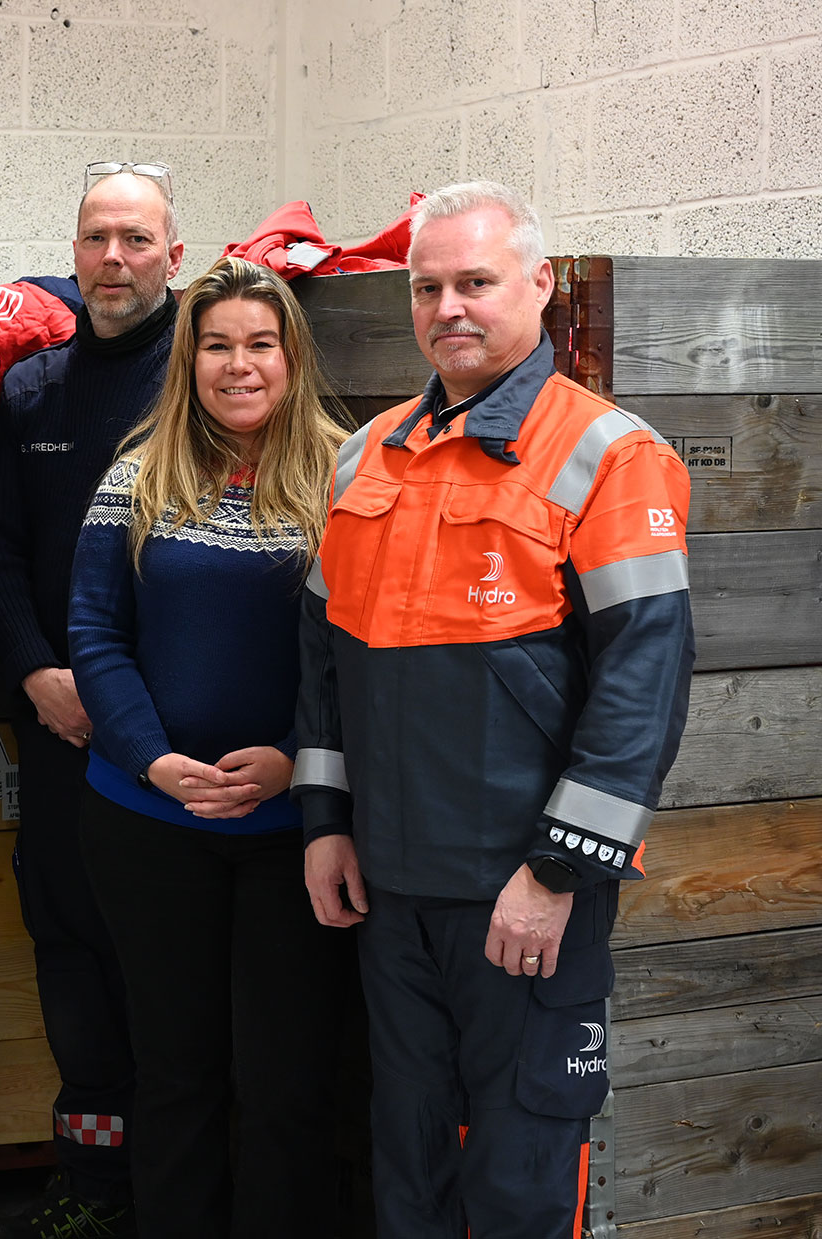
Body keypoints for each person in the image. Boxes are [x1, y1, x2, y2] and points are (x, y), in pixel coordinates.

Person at [293, 181, 694, 1238]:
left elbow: (644, 681)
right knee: (409, 1167)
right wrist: (326, 822)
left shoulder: (609, 454)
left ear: (539, 282)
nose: (448, 308)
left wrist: (556, 873)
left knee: (519, 1176)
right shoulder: (363, 453)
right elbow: (326, 663)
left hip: (520, 891)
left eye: (474, 281)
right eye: (426, 288)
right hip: (390, 892)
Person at [66, 256, 357, 1238]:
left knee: (286, 1081)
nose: (239, 365)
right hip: (147, 822)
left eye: (260, 344)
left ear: (291, 357)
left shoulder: (346, 476)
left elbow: (365, 649)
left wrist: (293, 759)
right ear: (188, 362)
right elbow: (94, 633)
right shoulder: (137, 474)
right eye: (217, 345)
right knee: (175, 1074)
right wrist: (152, 758)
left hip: (295, 834)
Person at [0, 160, 184, 1238]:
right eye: (97, 238)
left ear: (172, 256)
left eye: (136, 239)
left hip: (177, 733)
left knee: (170, 958)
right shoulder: (32, 391)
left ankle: (177, 1188)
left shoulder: (211, 372)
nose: (114, 258)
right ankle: (92, 1183)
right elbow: (1, 554)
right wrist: (33, 673)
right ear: (72, 253)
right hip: (62, 729)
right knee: (69, 947)